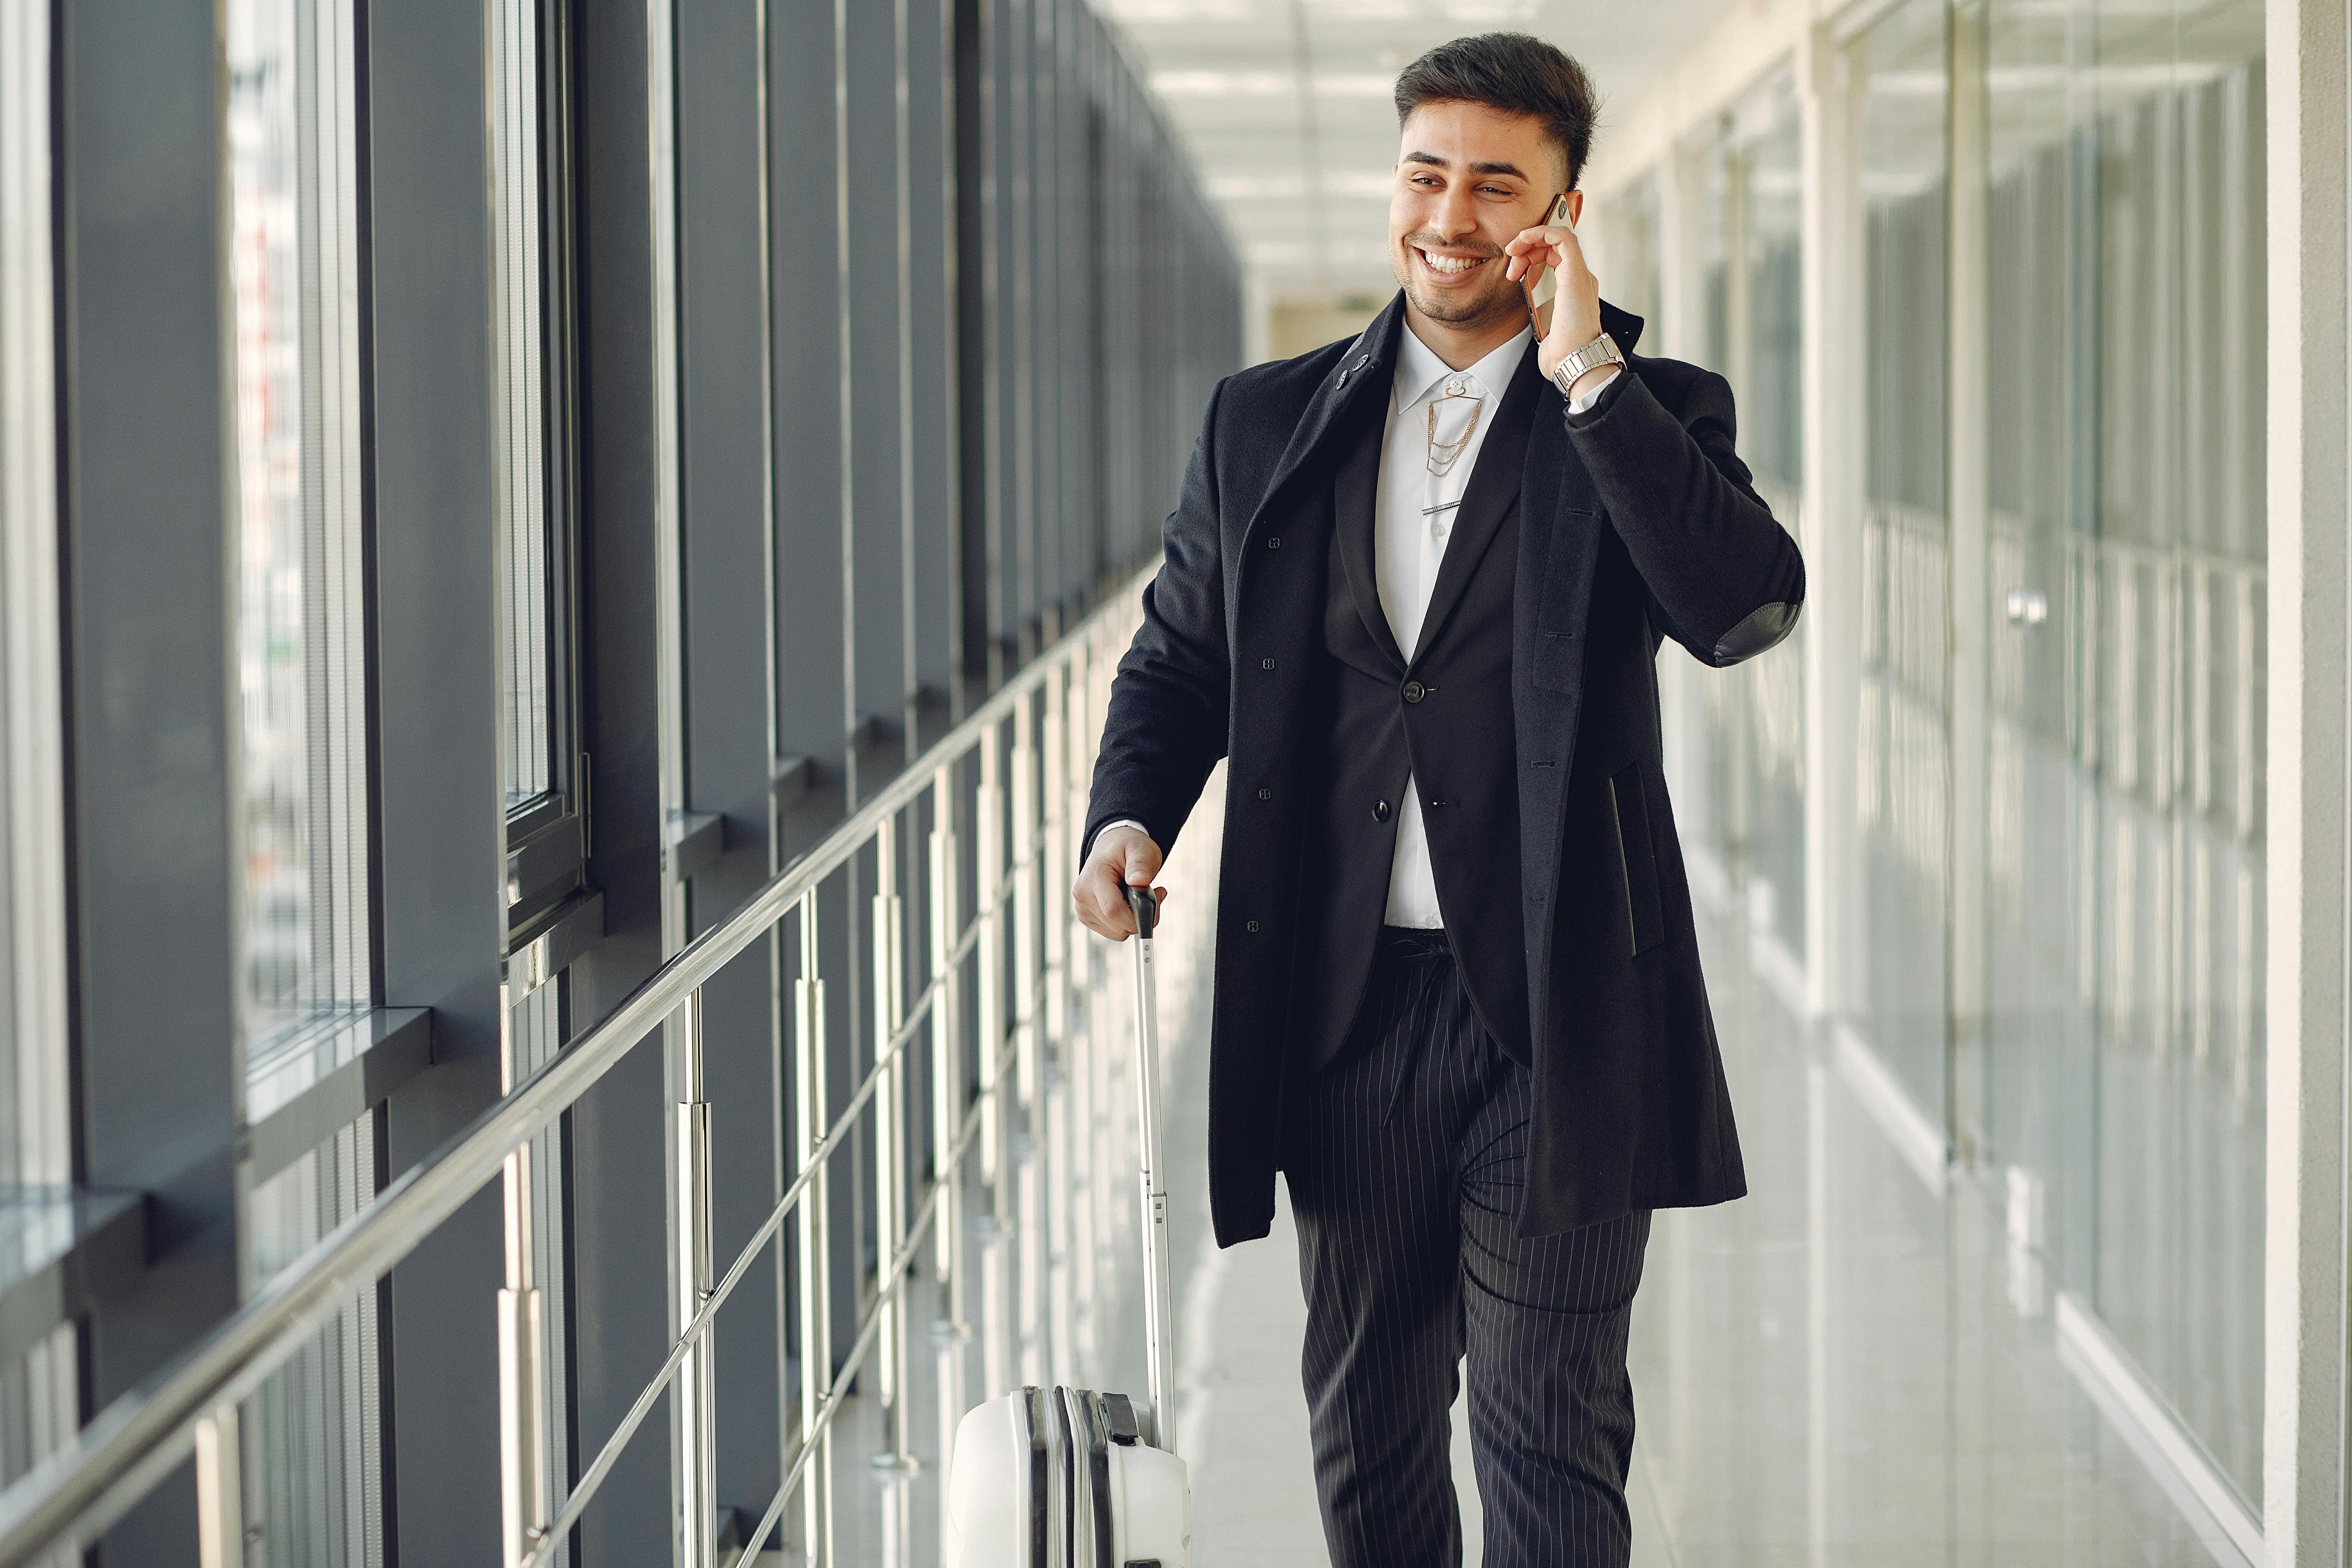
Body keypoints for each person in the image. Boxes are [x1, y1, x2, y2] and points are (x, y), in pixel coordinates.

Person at [1071, 31, 1804, 1568]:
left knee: (1547, 1431)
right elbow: (1182, 654)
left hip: (1557, 1007)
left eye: (1496, 185)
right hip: (1341, 1008)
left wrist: (1588, 372)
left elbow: (1742, 607)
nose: (1450, 218)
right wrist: (1127, 816)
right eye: (1425, 175)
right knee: (1367, 1429)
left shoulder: (1643, 407)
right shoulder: (1263, 422)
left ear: (1562, 211)